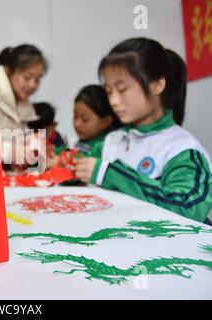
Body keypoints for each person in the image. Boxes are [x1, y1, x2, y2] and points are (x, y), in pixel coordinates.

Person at [74, 37, 212, 223]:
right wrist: (52, 158)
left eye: (122, 90)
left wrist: (111, 174)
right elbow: (77, 160)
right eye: (108, 91)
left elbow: (188, 208)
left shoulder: (182, 150)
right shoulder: (113, 140)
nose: (113, 101)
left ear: (157, 85)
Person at [0, 44, 48, 166]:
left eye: (37, 80)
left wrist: (26, 142)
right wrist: (9, 151)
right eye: (27, 77)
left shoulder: (21, 103)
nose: (33, 85)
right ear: (8, 72)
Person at [73, 85, 121, 157]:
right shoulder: (84, 140)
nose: (77, 124)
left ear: (105, 121)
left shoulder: (106, 146)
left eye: (85, 119)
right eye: (75, 117)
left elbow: (82, 158)